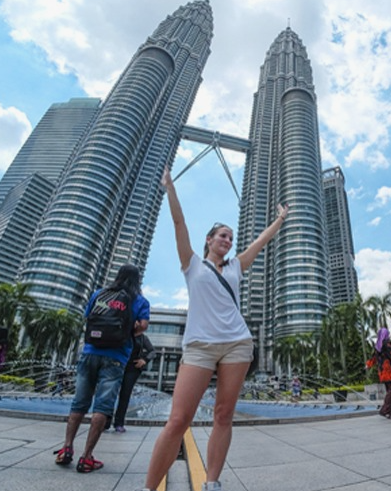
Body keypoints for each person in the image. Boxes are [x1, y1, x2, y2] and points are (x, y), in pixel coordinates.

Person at [141, 167, 288, 491]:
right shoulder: (192, 263)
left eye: (231, 238)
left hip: (237, 344)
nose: (228, 240)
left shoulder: (237, 265)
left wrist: (280, 219)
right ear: (209, 240)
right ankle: (149, 488)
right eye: (222, 235)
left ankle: (212, 483)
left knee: (223, 414)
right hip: (199, 346)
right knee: (179, 419)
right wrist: (170, 188)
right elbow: (179, 223)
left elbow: (261, 242)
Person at [53, 264, 150, 474]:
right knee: (102, 407)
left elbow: (88, 317)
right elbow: (142, 326)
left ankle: (66, 448)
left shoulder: (100, 293)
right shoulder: (139, 301)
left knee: (79, 403)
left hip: (90, 352)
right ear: (137, 280)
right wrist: (128, 328)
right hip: (116, 357)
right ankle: (86, 457)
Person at [112, 321, 154, 433]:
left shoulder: (143, 338)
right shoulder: (124, 334)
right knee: (110, 392)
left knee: (125, 395)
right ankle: (105, 421)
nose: (136, 324)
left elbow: (152, 351)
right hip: (118, 365)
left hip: (132, 368)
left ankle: (119, 423)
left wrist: (144, 360)